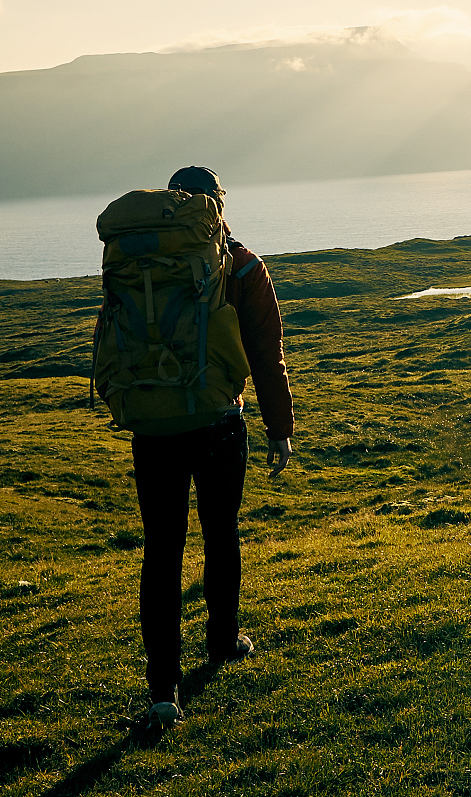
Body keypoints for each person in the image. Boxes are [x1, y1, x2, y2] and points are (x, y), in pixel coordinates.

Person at [123, 165, 295, 731]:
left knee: (161, 550)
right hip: (220, 421)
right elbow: (265, 354)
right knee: (220, 534)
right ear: (218, 203)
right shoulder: (242, 264)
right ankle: (222, 642)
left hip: (152, 427)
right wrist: (279, 428)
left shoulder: (140, 260)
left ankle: (162, 693)